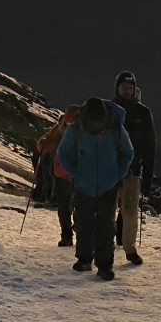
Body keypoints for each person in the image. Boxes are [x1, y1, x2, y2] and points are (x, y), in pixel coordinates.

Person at [56, 97, 134, 280]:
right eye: (92, 122)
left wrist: (118, 173)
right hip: (84, 185)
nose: (95, 126)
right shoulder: (76, 130)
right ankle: (84, 260)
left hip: (108, 185)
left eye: (98, 122)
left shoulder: (115, 129)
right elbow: (62, 153)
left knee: (106, 225)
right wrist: (74, 173)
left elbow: (128, 153)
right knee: (84, 223)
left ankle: (105, 265)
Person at [111, 70, 156, 266]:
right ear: (118, 88)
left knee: (130, 211)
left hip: (132, 169)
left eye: (130, 87)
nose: (127, 91)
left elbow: (149, 145)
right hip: (110, 169)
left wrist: (148, 174)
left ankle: (129, 249)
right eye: (124, 87)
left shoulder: (143, 113)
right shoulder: (110, 110)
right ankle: (105, 245)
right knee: (107, 209)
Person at [34, 105, 80, 246]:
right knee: (77, 203)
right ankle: (77, 229)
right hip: (76, 172)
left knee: (64, 206)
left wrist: (44, 145)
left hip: (61, 170)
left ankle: (67, 236)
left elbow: (43, 143)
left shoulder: (60, 128)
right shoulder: (83, 130)